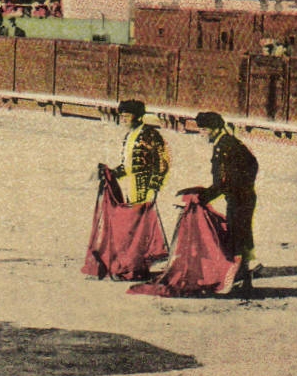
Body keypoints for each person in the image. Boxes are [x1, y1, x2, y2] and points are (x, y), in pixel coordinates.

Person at [83, 100, 170, 281]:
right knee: (132, 228)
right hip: (130, 185)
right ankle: (132, 266)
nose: (122, 119)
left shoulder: (150, 135)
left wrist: (154, 187)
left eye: (126, 116)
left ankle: (137, 268)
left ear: (138, 117)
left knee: (139, 228)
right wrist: (111, 174)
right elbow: (127, 166)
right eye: (121, 115)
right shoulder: (130, 136)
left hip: (143, 187)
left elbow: (162, 163)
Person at [179, 111, 259, 297]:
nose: (202, 133)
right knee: (239, 234)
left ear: (215, 129)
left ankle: (241, 279)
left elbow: (230, 178)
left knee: (237, 236)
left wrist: (209, 195)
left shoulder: (226, 145)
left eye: (205, 130)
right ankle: (244, 279)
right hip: (240, 196)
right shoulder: (225, 143)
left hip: (240, 198)